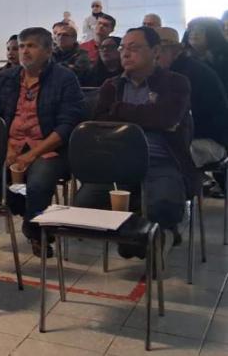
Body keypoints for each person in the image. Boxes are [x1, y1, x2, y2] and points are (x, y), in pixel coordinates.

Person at [74, 27, 196, 256]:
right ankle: (137, 233)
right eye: (123, 48)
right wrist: (146, 115)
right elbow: (99, 123)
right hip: (118, 162)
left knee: (163, 204)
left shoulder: (175, 82)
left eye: (134, 47)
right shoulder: (112, 85)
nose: (125, 53)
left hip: (160, 160)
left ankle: (156, 233)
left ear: (155, 51)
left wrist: (119, 110)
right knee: (84, 203)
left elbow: (166, 118)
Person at [0, 28, 84, 257]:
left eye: (31, 46)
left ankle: (34, 231)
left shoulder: (64, 78)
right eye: (21, 46)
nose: (24, 51)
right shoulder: (6, 77)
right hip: (11, 146)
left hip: (48, 148)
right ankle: (30, 212)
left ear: (48, 51)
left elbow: (67, 125)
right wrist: (7, 149)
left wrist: (32, 155)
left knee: (38, 185)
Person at [156, 27, 228, 175]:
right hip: (186, 137)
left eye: (160, 48)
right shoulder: (167, 70)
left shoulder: (189, 74)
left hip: (207, 140)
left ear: (177, 50)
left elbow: (181, 120)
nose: (154, 54)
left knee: (155, 156)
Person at [184, 17, 228, 90]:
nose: (194, 33)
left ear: (213, 34)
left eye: (201, 30)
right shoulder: (182, 58)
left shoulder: (224, 59)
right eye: (192, 30)